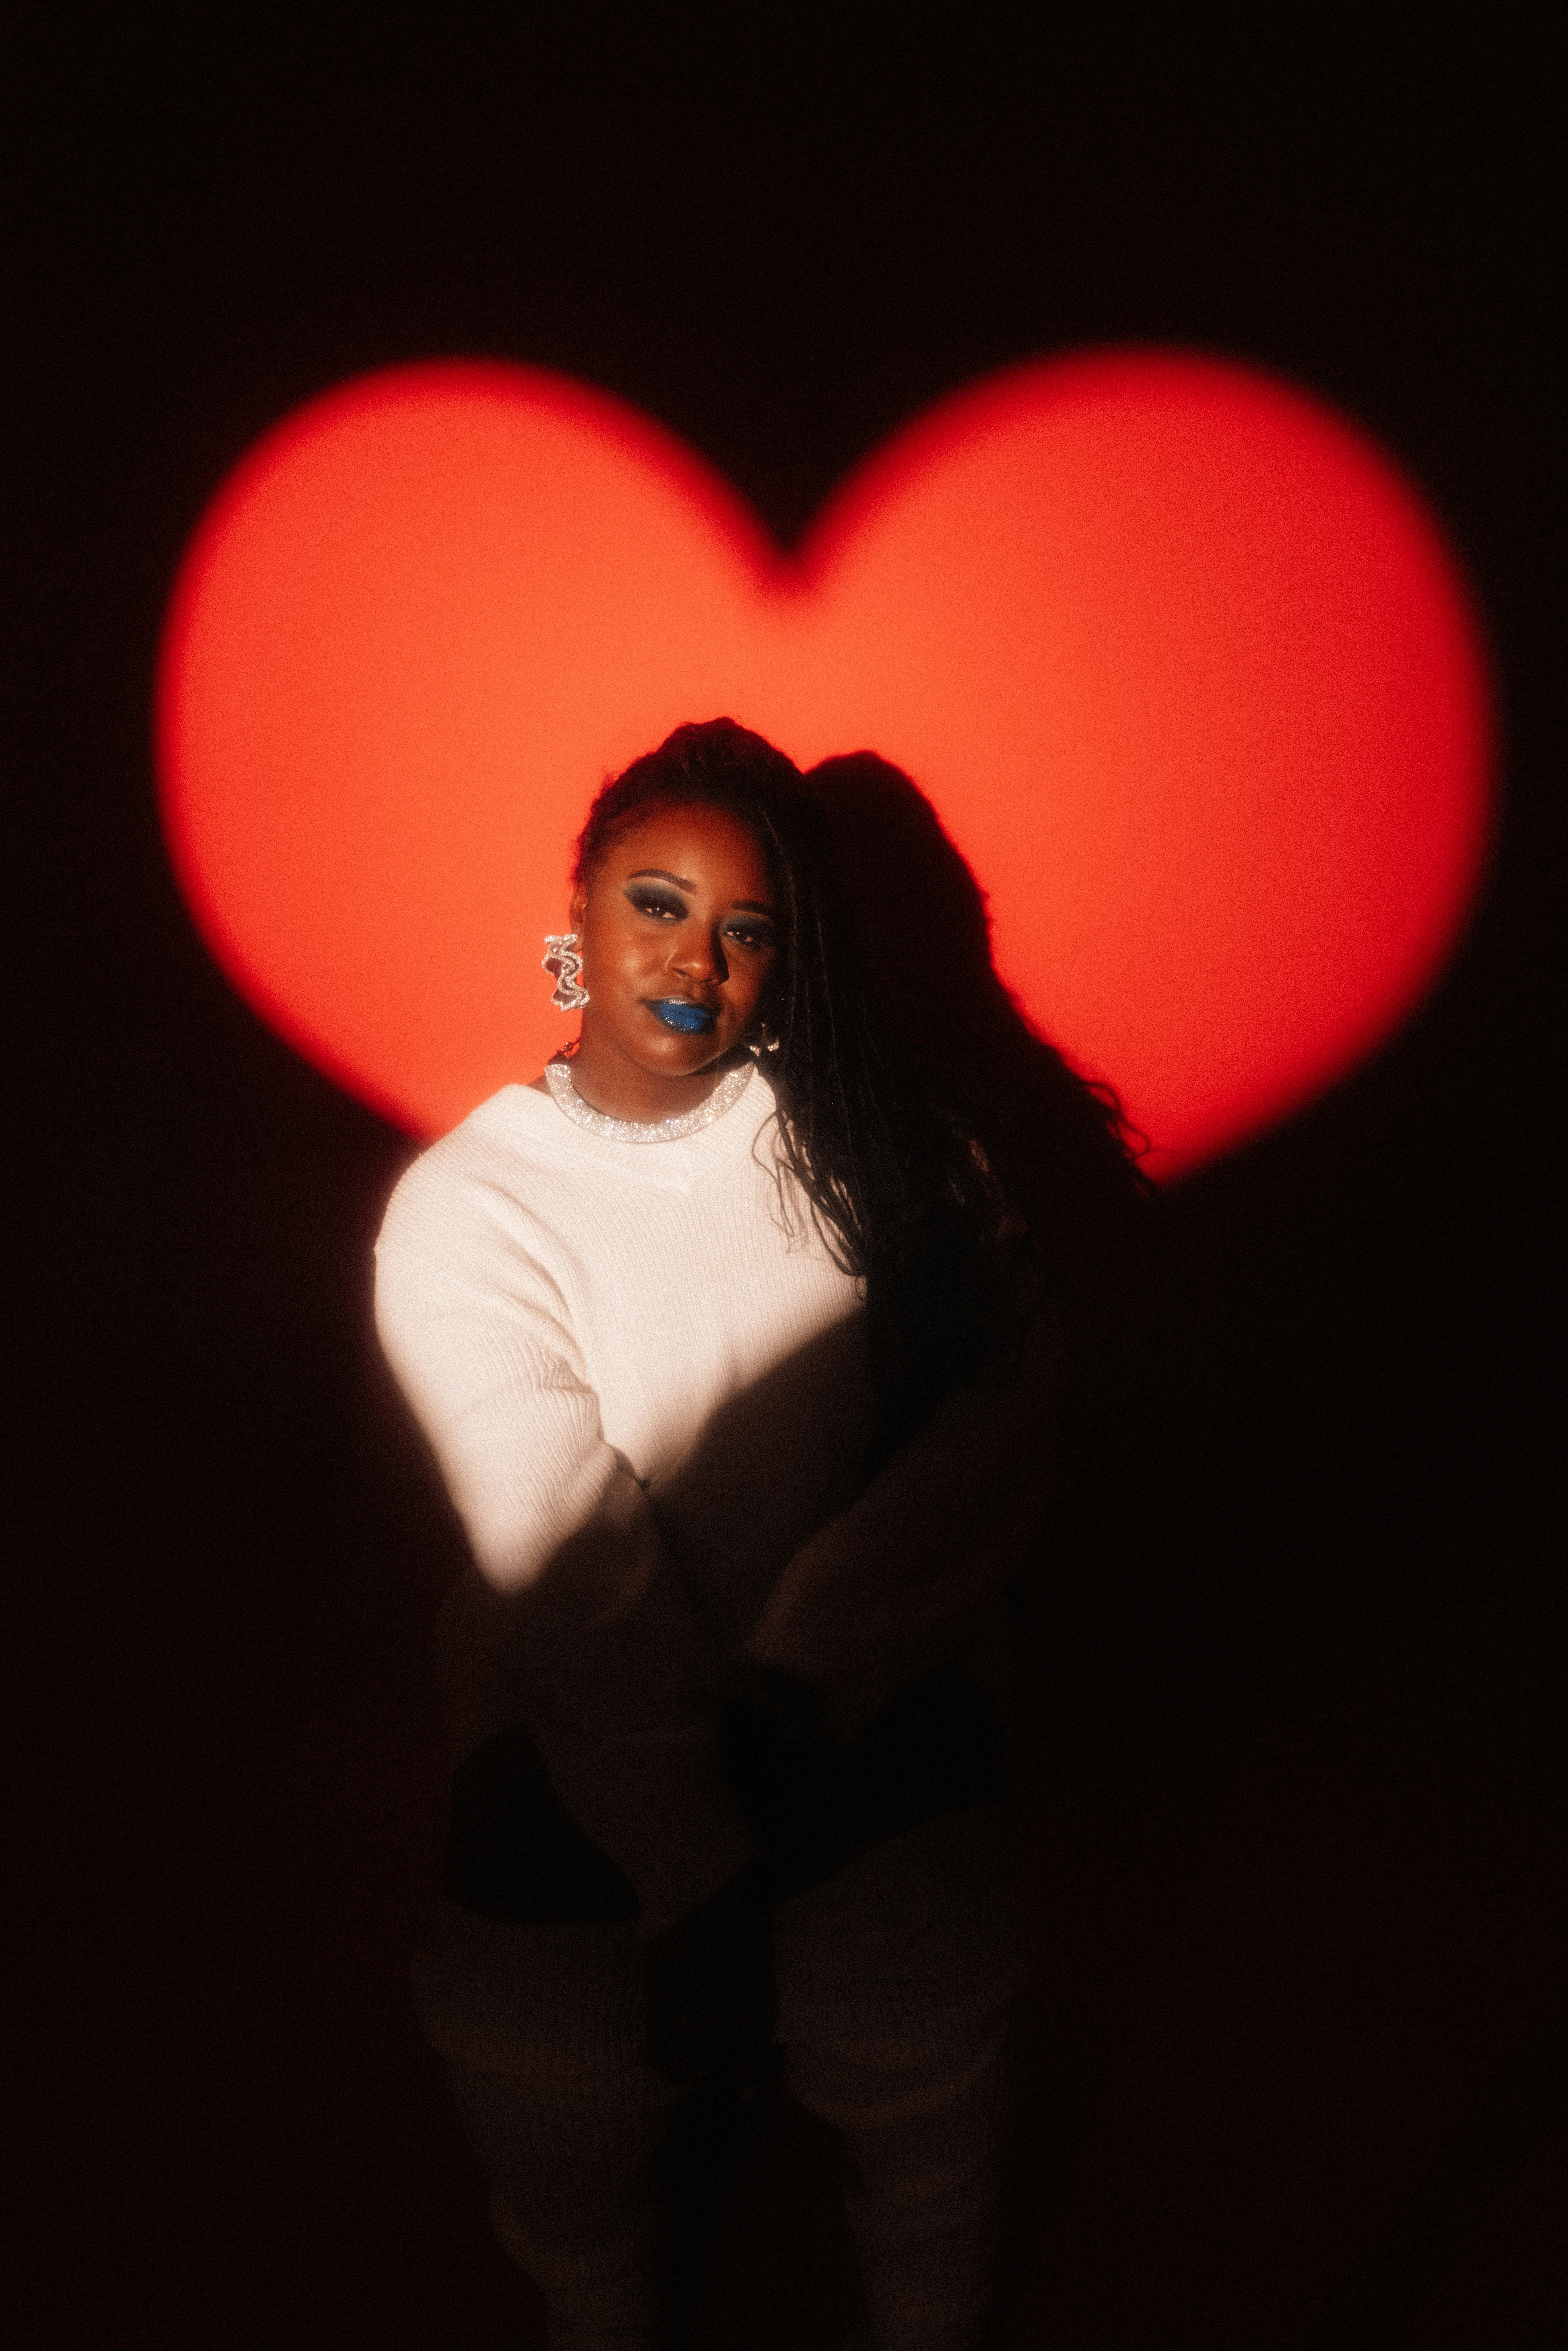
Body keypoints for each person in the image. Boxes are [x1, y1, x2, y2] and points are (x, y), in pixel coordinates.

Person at [374, 719, 1148, 2351]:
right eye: (653, 905)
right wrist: (693, 1878)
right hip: (589, 1736)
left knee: (925, 2055)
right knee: (551, 2073)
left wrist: (815, 1659)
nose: (693, 959)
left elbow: (1000, 1416)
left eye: (745, 930)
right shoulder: (466, 1210)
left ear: (785, 963)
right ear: (570, 923)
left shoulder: (874, 1148)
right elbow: (568, 1564)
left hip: (848, 1714)